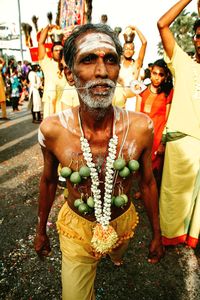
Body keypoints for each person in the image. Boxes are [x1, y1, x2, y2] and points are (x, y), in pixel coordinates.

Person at [34, 23, 164, 300]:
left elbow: (148, 183)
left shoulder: (141, 127)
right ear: (69, 74)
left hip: (123, 222)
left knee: (118, 251)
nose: (102, 71)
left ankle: (115, 255)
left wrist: (157, 233)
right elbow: (47, 181)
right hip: (76, 229)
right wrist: (40, 230)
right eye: (89, 59)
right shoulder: (52, 130)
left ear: (118, 71)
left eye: (111, 60)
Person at [157, 0, 200, 248]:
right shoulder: (183, 63)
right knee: (173, 195)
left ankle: (193, 238)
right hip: (181, 141)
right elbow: (162, 24)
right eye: (198, 36)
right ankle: (170, 237)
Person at [136, 59, 173, 192]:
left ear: (165, 76)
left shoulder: (168, 93)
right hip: (145, 135)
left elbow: (168, 119)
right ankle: (142, 190)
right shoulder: (142, 92)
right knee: (142, 164)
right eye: (155, 73)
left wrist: (163, 142)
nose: (157, 77)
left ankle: (154, 192)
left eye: (161, 75)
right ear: (150, 73)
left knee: (156, 168)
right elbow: (137, 116)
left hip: (158, 137)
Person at [38, 25, 79, 118]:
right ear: (51, 52)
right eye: (56, 50)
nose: (58, 52)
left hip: (65, 102)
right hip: (50, 102)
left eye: (61, 50)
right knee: (49, 129)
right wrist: (48, 27)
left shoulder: (68, 65)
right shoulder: (46, 63)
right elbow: (41, 43)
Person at [114, 25, 147, 110]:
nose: (128, 51)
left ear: (134, 51)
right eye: (126, 48)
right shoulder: (118, 64)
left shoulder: (136, 65)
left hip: (133, 101)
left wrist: (136, 28)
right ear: (122, 50)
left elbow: (144, 43)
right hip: (119, 101)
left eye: (130, 49)